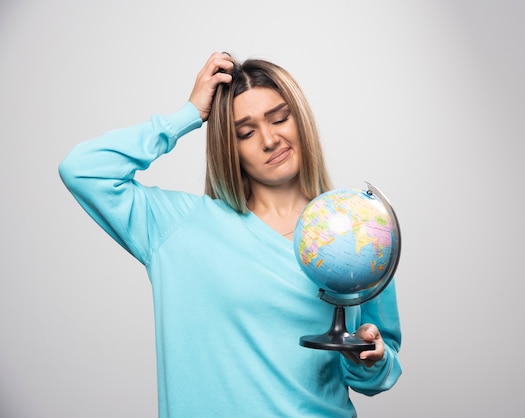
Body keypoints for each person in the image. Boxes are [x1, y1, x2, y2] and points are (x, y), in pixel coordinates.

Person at [59, 52, 402, 417]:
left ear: (300, 120)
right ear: (229, 146)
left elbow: (381, 368)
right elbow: (83, 170)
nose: (270, 140)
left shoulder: (358, 228)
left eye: (280, 118)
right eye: (246, 132)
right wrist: (188, 115)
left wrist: (370, 356)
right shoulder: (178, 227)